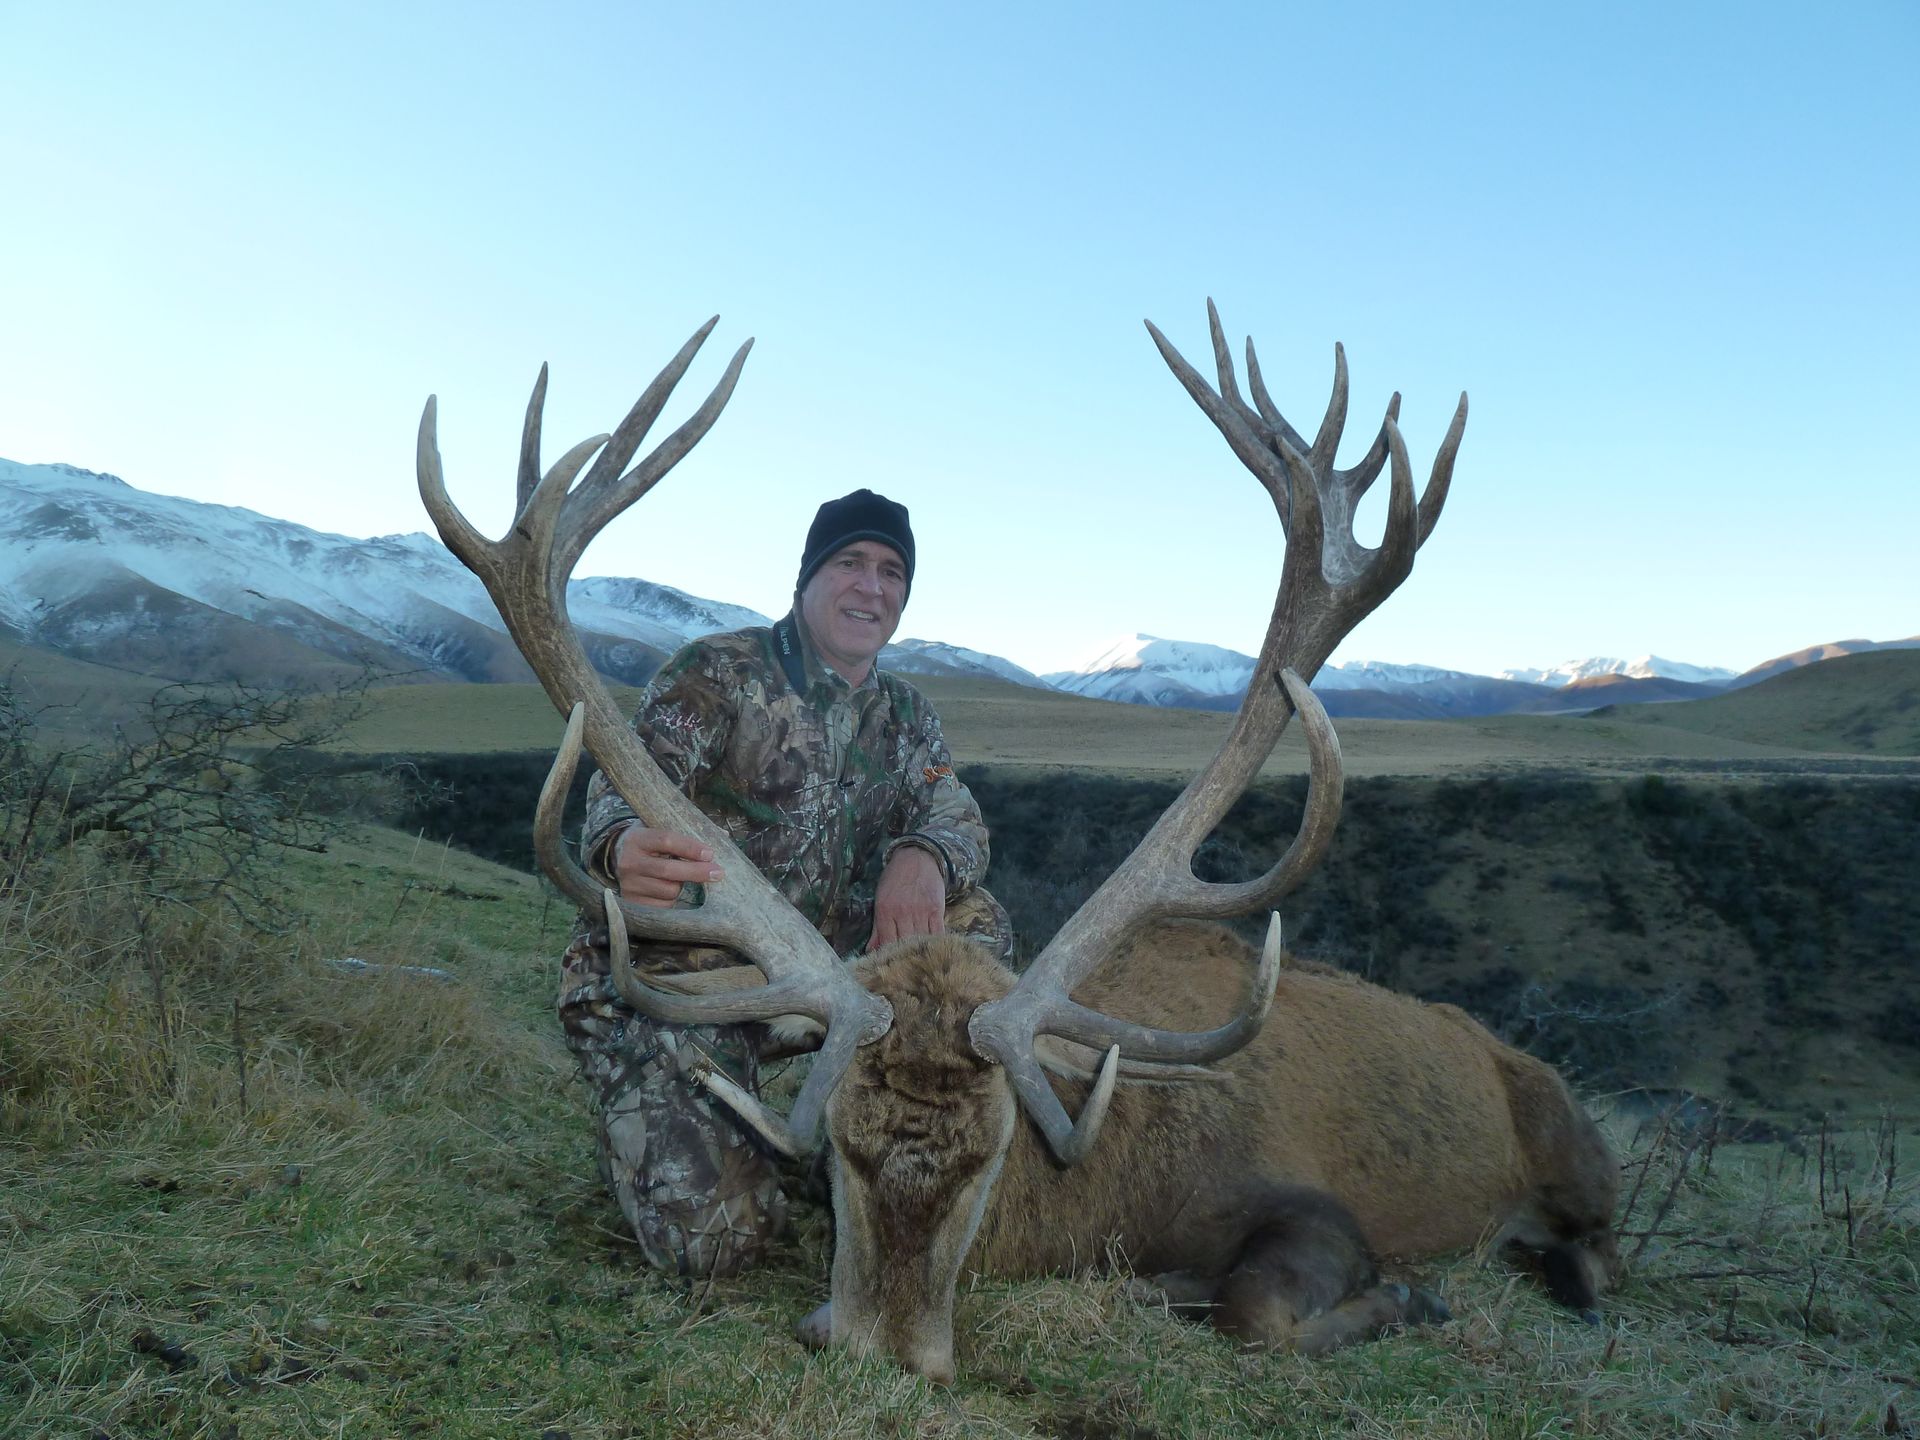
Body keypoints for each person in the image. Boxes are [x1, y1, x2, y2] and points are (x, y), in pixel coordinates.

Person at [557, 488, 1013, 1278]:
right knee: (719, 1246)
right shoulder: (715, 674)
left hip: (814, 983)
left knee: (976, 926)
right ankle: (651, 1115)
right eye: (850, 563)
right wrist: (620, 842)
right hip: (681, 980)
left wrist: (925, 855)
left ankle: (899, 1133)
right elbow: (626, 780)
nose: (871, 587)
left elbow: (958, 814)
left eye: (892, 572)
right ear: (807, 579)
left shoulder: (907, 717)